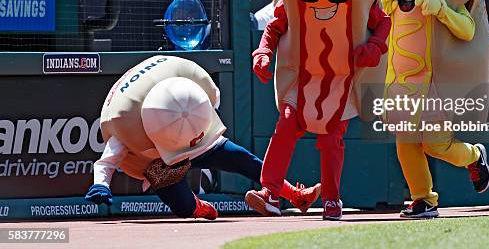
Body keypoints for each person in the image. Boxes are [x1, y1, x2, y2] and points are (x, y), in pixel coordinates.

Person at [247, 0, 390, 221]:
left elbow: (382, 24)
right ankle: (271, 193)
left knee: (330, 140)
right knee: (286, 126)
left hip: (343, 81)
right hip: (303, 76)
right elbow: (275, 26)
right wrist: (263, 51)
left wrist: (374, 47)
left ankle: (331, 199)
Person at [84, 55, 321, 220]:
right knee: (184, 208)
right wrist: (100, 185)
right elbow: (106, 163)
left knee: (242, 158)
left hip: (201, 138)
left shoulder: (190, 79)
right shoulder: (124, 123)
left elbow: (213, 98)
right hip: (160, 162)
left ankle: (295, 196)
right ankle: (200, 208)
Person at [376, 0, 489, 219]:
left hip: (434, 84)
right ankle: (423, 199)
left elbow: (467, 30)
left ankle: (473, 155)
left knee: (435, 145)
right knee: (405, 143)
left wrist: (442, 10)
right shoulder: (391, 0)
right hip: (402, 82)